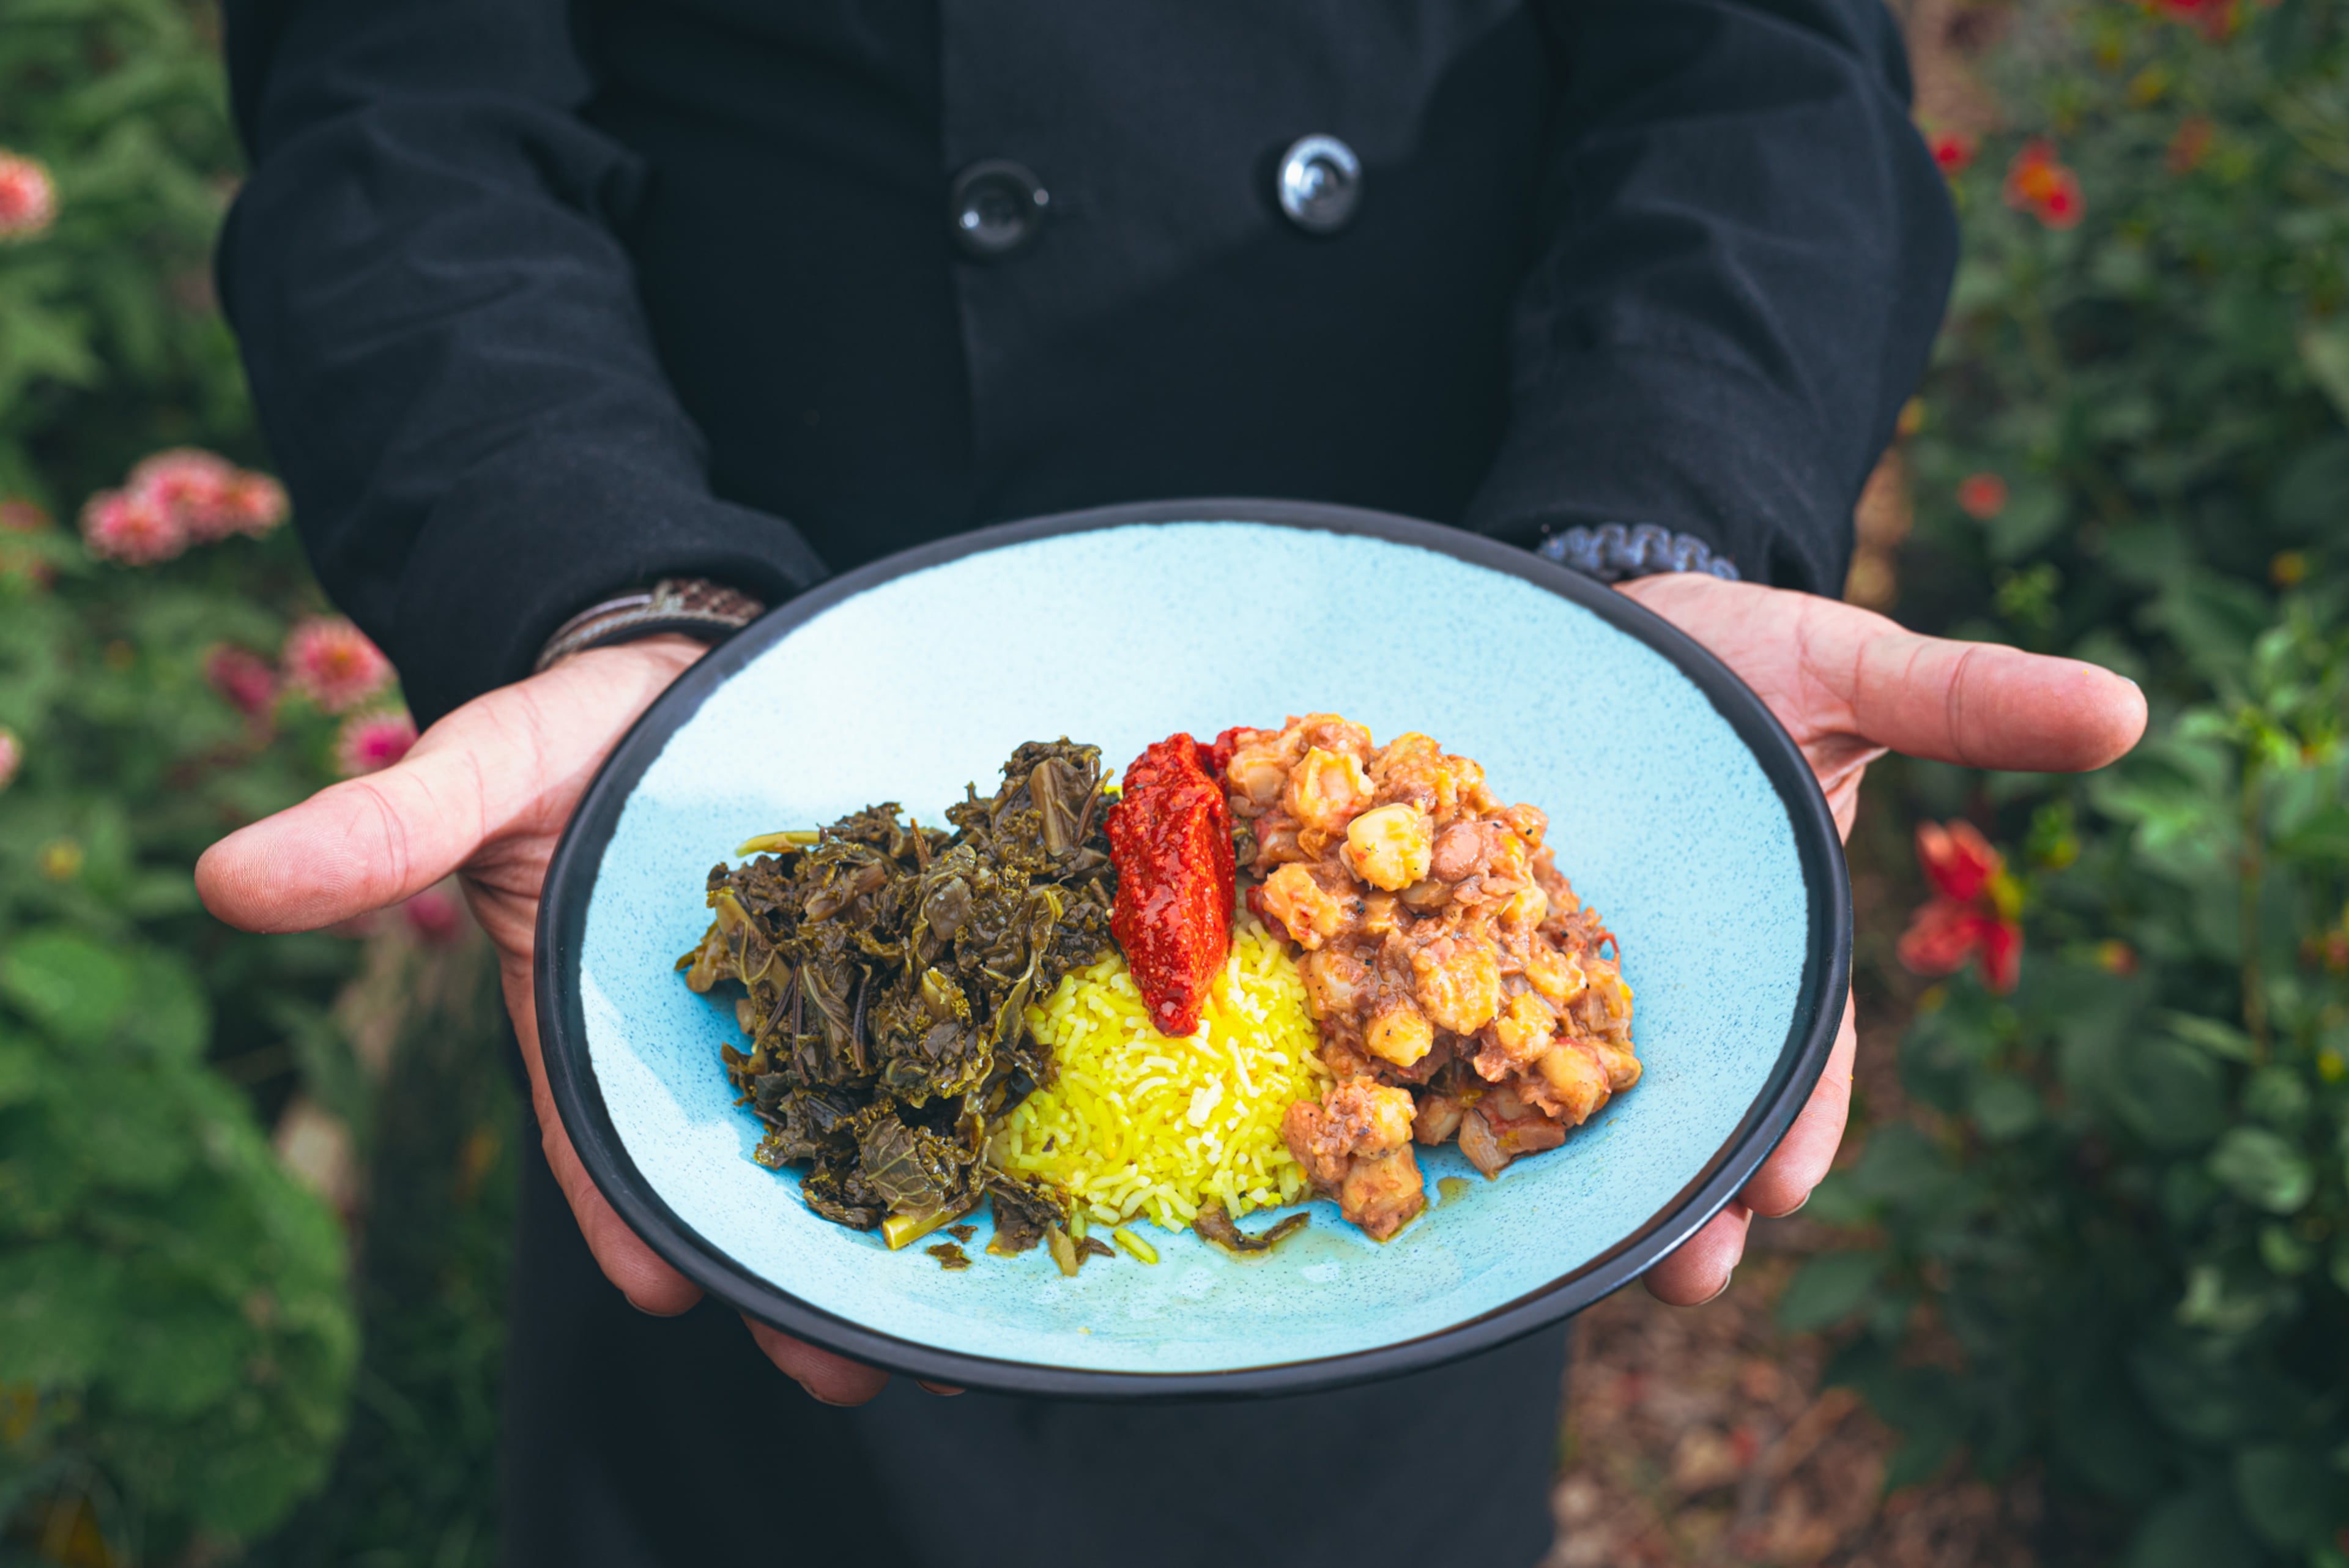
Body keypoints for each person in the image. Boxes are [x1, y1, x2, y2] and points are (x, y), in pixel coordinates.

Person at [195, 2, 2148, 1564]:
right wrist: (597, 581)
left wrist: (1647, 560)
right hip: (776, 716)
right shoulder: (750, 810)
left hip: (1445, 614)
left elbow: (1752, 60)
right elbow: (402, 108)